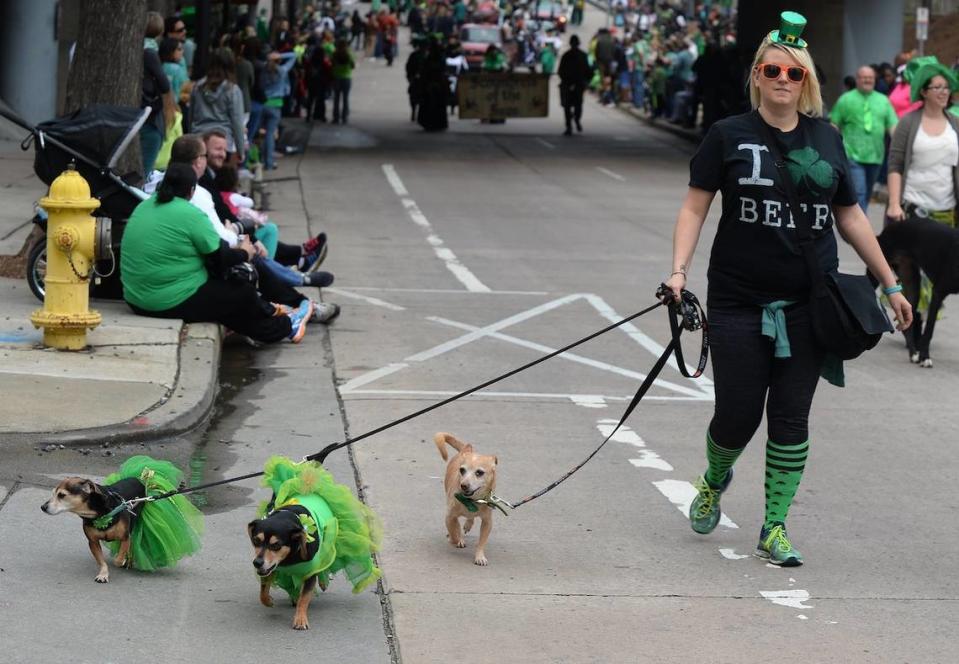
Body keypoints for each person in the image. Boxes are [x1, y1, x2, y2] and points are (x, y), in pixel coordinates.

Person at [665, 12, 911, 567]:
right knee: (736, 414)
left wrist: (890, 283)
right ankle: (713, 476)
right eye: (773, 69)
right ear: (756, 75)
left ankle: (773, 526)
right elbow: (693, 206)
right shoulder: (727, 135)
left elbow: (849, 217)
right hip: (736, 299)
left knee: (792, 417)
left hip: (809, 301)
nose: (783, 79)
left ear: (807, 82)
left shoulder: (827, 139)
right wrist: (678, 271)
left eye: (794, 73)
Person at [121, 163, 314, 344]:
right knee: (242, 294)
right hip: (168, 300)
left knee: (228, 303)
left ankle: (276, 314)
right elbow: (221, 258)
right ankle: (287, 325)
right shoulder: (189, 213)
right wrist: (245, 252)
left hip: (136, 300)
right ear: (191, 191)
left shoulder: (143, 207)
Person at [887, 57, 959, 228]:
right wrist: (894, 204)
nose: (944, 92)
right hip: (913, 207)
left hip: (947, 210)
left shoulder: (955, 123)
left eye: (947, 87)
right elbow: (895, 165)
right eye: (937, 87)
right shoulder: (908, 122)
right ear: (924, 92)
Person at [829, 66, 898, 211]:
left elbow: (893, 126)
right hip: (852, 155)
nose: (867, 80)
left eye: (870, 78)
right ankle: (861, 231)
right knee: (859, 192)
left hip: (876, 156)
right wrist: (833, 149)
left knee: (866, 194)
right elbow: (834, 124)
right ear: (857, 79)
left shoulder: (883, 100)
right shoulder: (845, 99)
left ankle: (859, 224)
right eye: (864, 77)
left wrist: (899, 147)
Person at [190, 48, 246, 163]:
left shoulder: (197, 87)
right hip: (224, 143)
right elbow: (237, 123)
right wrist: (241, 150)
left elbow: (191, 116)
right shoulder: (232, 90)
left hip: (198, 140)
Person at [141, 12, 175, 175]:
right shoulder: (150, 51)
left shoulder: (139, 48)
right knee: (147, 166)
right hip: (149, 115)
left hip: (143, 113)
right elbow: (164, 84)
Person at [260, 50, 298, 169]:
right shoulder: (282, 71)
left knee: (261, 134)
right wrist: (280, 55)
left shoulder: (263, 70)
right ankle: (269, 162)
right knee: (270, 135)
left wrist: (269, 57)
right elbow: (294, 55)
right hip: (276, 104)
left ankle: (260, 159)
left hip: (263, 102)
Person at [558, 35, 592, 136]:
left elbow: (560, 71)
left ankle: (570, 126)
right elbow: (589, 71)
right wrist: (586, 81)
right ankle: (574, 122)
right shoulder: (583, 56)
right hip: (577, 84)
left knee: (568, 107)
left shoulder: (566, 55)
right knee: (577, 105)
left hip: (571, 84)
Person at [331, 39, 355, 124]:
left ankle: (336, 117)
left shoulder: (335, 54)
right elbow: (353, 66)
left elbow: (332, 65)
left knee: (336, 99)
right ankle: (344, 117)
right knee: (345, 99)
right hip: (346, 77)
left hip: (337, 77)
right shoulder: (349, 55)